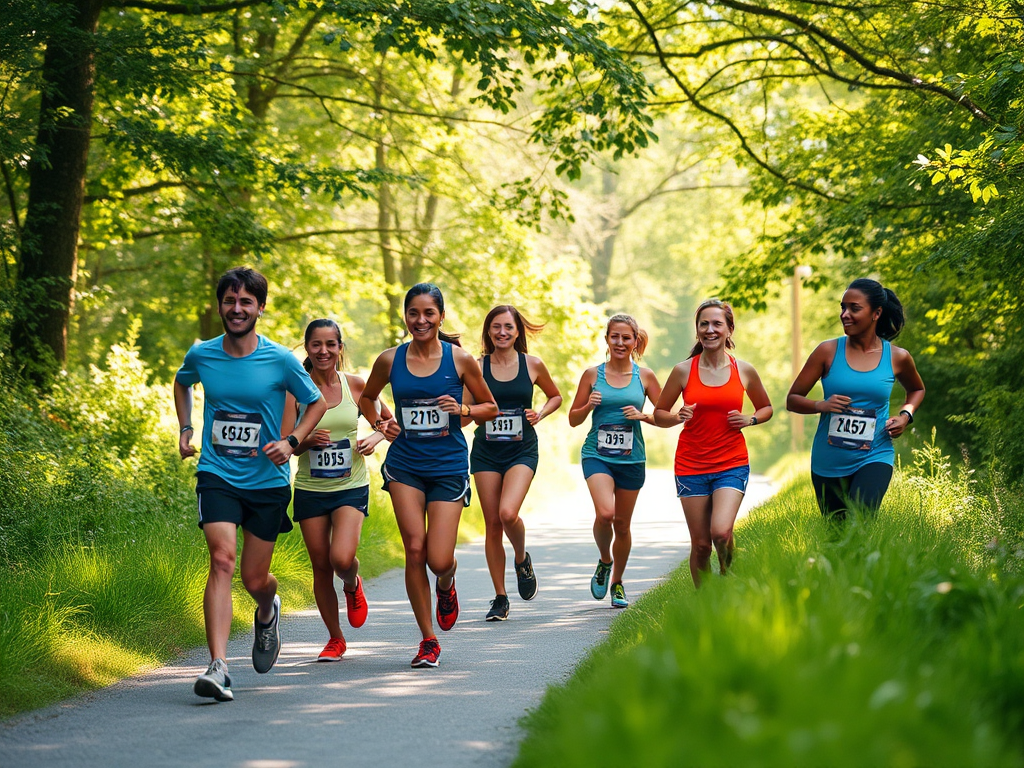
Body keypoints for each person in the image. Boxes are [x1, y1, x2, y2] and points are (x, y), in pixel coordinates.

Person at [174, 267, 327, 702]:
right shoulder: (202, 354)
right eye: (229, 301)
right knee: (221, 560)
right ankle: (218, 666)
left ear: (260, 307)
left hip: (267, 481)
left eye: (246, 302)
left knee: (253, 577)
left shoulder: (278, 359)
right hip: (217, 473)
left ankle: (267, 607)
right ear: (219, 305)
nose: (236, 309)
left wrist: (292, 440)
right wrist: (186, 427)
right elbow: (182, 383)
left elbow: (315, 402)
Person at [359, 283, 498, 667]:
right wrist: (381, 423)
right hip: (405, 465)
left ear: (441, 316)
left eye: (428, 313)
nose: (420, 320)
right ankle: (427, 640)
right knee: (415, 549)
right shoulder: (390, 360)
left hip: (448, 466)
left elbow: (490, 406)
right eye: (413, 313)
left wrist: (464, 411)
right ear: (405, 316)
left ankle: (447, 583)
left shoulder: (461, 360)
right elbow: (367, 397)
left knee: (439, 559)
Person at [282, 319, 393, 661]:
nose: (324, 351)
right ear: (307, 348)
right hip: (310, 488)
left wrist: (374, 437)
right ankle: (335, 638)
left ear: (340, 348)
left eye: (331, 344)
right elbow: (287, 444)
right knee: (320, 566)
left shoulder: (356, 386)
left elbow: (389, 424)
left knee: (341, 558)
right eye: (316, 344)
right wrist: (304, 440)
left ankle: (352, 584)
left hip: (351, 485)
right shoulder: (295, 391)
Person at [653, 299, 773, 587]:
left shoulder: (744, 370)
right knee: (702, 545)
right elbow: (659, 414)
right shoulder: (683, 371)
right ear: (697, 331)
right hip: (691, 465)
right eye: (704, 324)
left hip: (731, 463)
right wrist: (676, 416)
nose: (710, 329)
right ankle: (706, 605)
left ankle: (729, 579)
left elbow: (766, 407)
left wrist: (750, 420)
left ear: (729, 330)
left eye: (717, 324)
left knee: (721, 533)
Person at [787, 278, 925, 520]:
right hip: (829, 460)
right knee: (836, 533)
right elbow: (793, 399)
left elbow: (917, 390)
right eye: (843, 307)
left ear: (876, 313)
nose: (845, 314)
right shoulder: (827, 352)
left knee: (861, 520)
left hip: (876, 453)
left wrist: (906, 416)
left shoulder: (897, 357)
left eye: (854, 308)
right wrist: (822, 405)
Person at [463, 305, 562, 621]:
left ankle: (521, 558)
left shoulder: (532, 364)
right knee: (493, 523)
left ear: (518, 331)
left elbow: (555, 396)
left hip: (522, 450)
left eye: (508, 327)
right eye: (496, 327)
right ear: (488, 331)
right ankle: (500, 598)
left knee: (508, 513)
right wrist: (469, 413)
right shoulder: (476, 367)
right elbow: (466, 410)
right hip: (486, 451)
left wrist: (540, 413)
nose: (502, 332)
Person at [568, 314, 662, 609]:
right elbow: (573, 419)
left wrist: (643, 416)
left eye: (626, 338)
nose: (620, 343)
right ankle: (605, 560)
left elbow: (666, 415)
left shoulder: (644, 377)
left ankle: (617, 582)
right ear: (607, 339)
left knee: (622, 525)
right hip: (597, 454)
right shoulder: (591, 375)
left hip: (631, 459)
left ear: (635, 342)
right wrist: (588, 404)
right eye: (614, 337)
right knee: (606, 514)